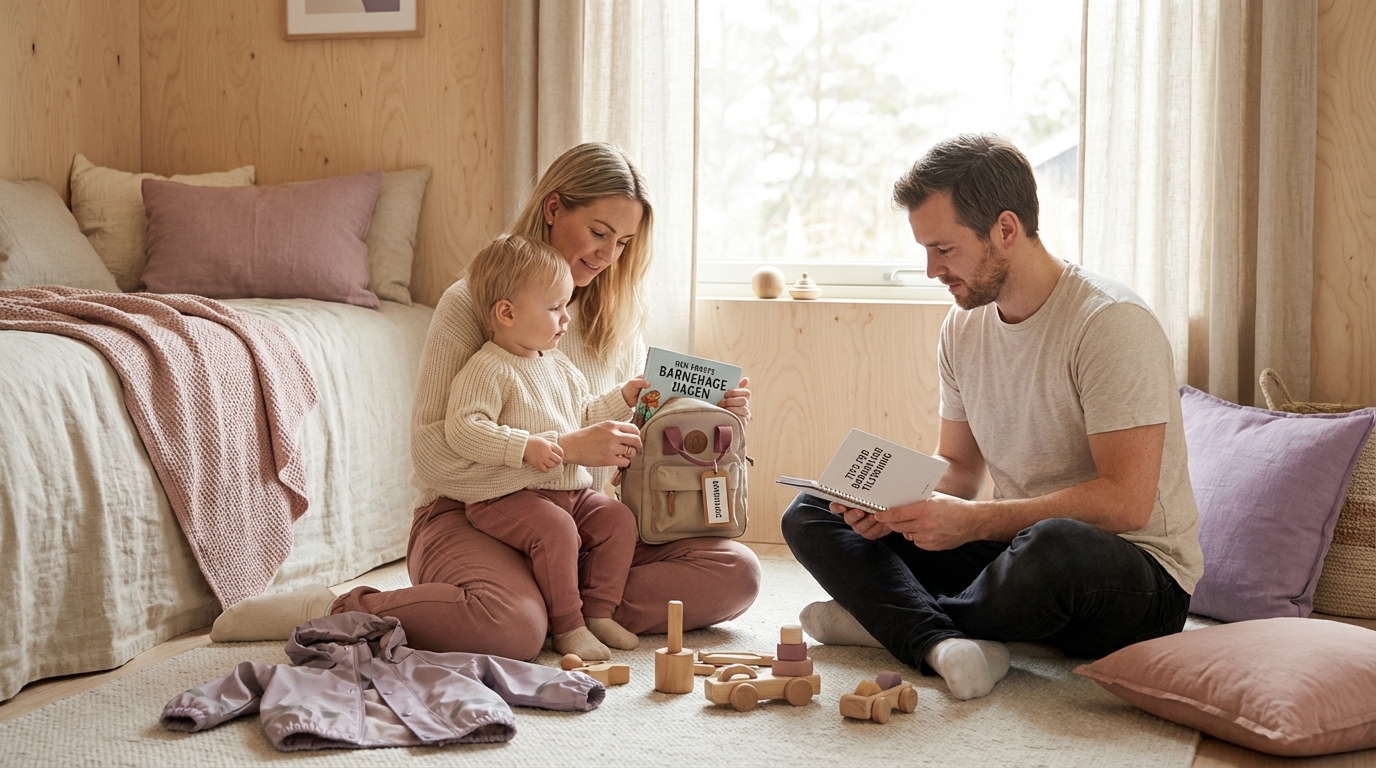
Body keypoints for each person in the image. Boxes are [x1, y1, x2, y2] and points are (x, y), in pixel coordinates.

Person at [211, 143, 761, 659]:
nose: (607, 255)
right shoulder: (474, 303)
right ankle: (344, 608)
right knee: (510, 626)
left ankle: (564, 609)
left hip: (577, 521)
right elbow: (434, 455)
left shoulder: (616, 319)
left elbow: (616, 451)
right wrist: (567, 449)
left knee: (737, 572)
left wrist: (704, 422)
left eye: (622, 243)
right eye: (598, 232)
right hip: (472, 517)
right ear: (553, 209)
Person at [782, 133, 1203, 701]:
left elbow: (1126, 502)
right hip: (1012, 551)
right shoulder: (963, 327)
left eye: (944, 249)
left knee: (1054, 546)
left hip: (1132, 574)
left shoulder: (1110, 322)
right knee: (811, 511)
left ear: (1005, 229)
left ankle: (888, 623)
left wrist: (975, 522)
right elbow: (960, 468)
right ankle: (944, 640)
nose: (931, 269)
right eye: (925, 250)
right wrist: (891, 501)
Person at [448, 233, 647, 661]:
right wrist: (522, 446)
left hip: (565, 491)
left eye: (566, 306)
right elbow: (463, 429)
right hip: (505, 495)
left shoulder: (556, 363)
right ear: (507, 313)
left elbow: (585, 413)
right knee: (556, 530)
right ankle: (568, 625)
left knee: (617, 518)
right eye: (555, 308)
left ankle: (597, 612)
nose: (566, 318)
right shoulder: (488, 367)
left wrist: (623, 397)